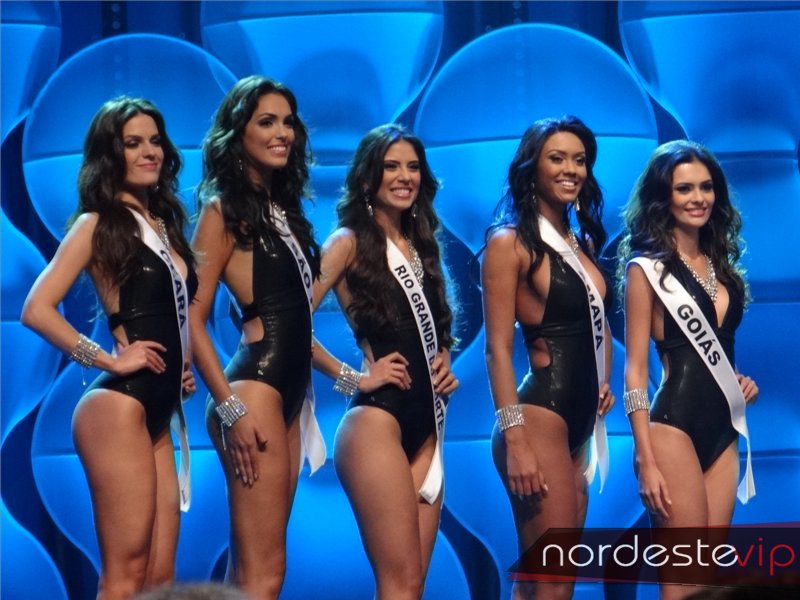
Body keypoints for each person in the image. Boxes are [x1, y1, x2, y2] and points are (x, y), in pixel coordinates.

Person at [21, 97, 197, 600]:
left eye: (155, 141)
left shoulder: (164, 226)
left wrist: (180, 368)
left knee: (160, 578)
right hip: (118, 407)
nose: (149, 152)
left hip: (159, 408)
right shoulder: (96, 224)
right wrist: (106, 359)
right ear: (110, 155)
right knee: (125, 574)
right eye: (133, 143)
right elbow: (36, 309)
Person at [188, 76, 323, 600]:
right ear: (237, 133)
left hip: (287, 394)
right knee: (264, 576)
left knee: (250, 573)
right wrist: (229, 409)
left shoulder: (284, 213)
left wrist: (350, 377)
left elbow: (300, 321)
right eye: (266, 122)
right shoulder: (222, 210)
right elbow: (191, 317)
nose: (282, 133)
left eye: (288, 123)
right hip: (253, 392)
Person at [312, 124, 458, 600]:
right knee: (396, 584)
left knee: (410, 588)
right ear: (367, 177)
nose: (404, 176)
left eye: (412, 167)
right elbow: (288, 324)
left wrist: (444, 362)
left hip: (427, 429)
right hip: (377, 423)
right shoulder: (347, 241)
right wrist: (352, 377)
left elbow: (430, 333)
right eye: (391, 166)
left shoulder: (421, 245)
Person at [481, 116, 615, 599]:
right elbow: (496, 351)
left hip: (577, 424)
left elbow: (595, 325)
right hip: (537, 421)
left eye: (579, 160)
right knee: (554, 583)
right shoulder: (509, 243)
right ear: (531, 167)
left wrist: (603, 381)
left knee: (544, 584)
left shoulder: (584, 242)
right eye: (557, 158)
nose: (570, 169)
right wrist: (516, 440)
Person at [618, 140, 758, 599]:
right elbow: (634, 373)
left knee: (707, 585)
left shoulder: (721, 268)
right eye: (684, 188)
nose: (698, 198)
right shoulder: (646, 270)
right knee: (681, 586)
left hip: (724, 431)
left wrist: (740, 384)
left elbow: (719, 353)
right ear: (664, 196)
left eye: (706, 187)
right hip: (672, 429)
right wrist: (644, 458)